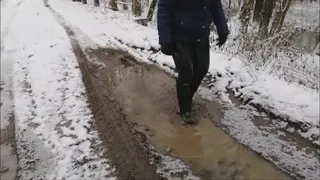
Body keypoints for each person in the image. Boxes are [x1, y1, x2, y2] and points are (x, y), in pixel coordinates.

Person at [157, 0, 229, 124]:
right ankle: (184, 108)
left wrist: (222, 28)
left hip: (201, 35)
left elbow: (215, 5)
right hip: (179, 36)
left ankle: (187, 97)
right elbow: (164, 10)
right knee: (186, 70)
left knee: (202, 68)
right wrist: (165, 39)